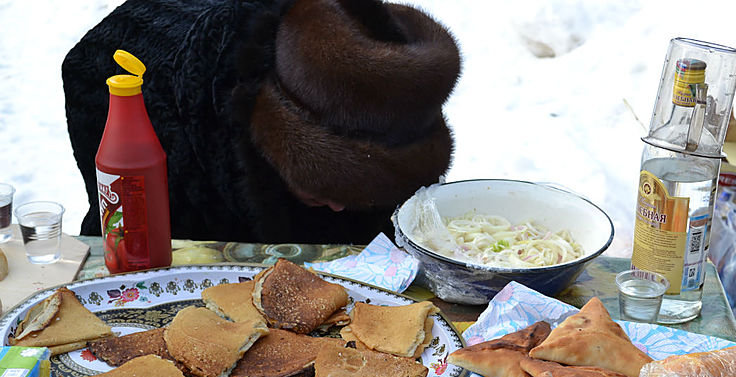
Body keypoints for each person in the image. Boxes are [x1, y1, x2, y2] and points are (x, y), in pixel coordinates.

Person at [63, 0, 461, 244]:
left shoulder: (371, 79)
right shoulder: (143, 85)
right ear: (278, 146)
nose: (341, 205)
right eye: (327, 186)